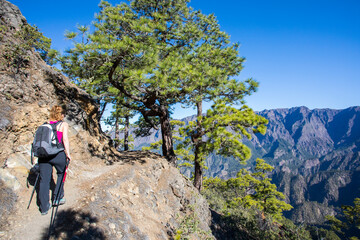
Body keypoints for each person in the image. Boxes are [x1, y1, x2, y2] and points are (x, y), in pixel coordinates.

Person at [38, 105, 71, 215]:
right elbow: (65, 139)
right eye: (63, 114)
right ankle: (57, 198)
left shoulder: (44, 124)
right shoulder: (63, 124)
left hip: (44, 156)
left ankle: (44, 207)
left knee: (44, 180)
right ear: (61, 115)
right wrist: (68, 154)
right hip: (58, 154)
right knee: (61, 174)